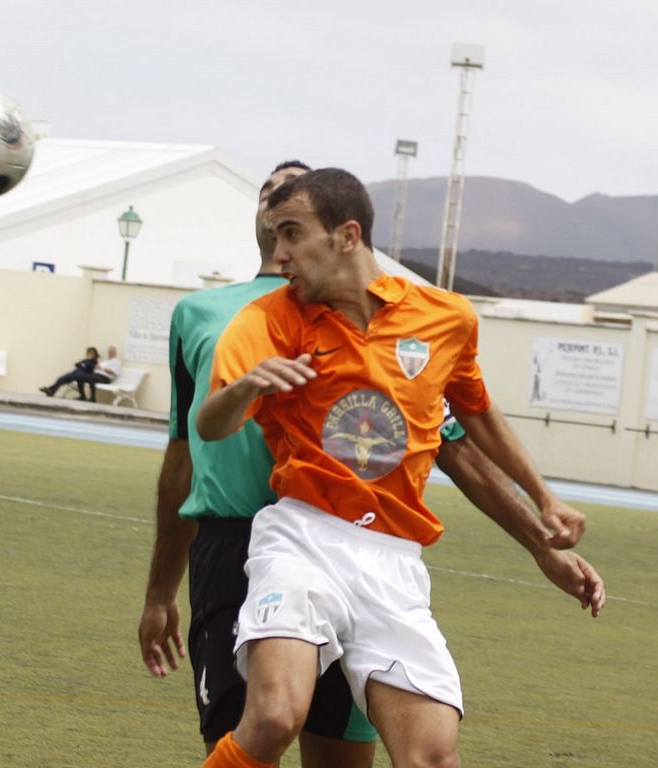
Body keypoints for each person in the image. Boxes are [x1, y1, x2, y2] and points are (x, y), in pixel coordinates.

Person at [139, 163, 601, 766]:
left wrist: (545, 503)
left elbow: (474, 419)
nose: (280, 255)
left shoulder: (446, 319)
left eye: (292, 235)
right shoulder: (268, 318)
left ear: (347, 235)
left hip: (392, 559)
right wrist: (247, 386)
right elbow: (208, 426)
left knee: (430, 756)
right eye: (274, 235)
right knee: (275, 716)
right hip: (299, 538)